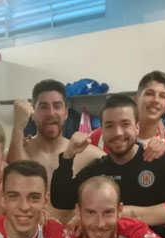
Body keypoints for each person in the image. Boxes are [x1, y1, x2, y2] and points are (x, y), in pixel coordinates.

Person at [7, 79, 104, 222]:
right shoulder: (19, 152)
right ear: (33, 113)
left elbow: (122, 166)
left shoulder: (89, 155)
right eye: (43, 106)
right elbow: (13, 172)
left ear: (66, 112)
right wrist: (18, 127)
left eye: (57, 106)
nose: (51, 113)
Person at [88, 71, 165, 160]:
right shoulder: (102, 134)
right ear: (136, 99)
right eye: (149, 94)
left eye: (162, 96)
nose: (156, 100)